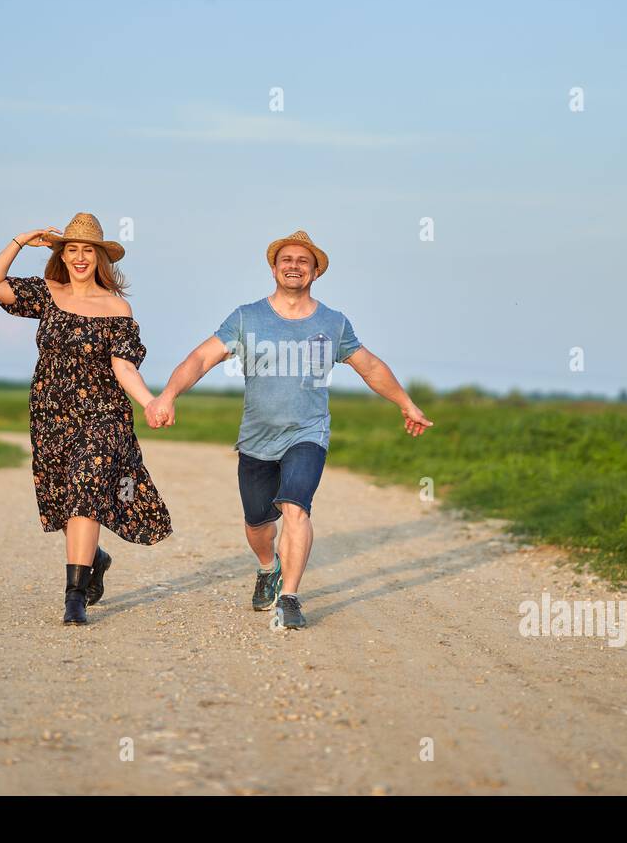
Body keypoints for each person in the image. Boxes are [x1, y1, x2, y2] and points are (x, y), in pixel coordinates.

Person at [145, 230, 431, 629]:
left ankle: (291, 597)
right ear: (274, 267)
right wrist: (168, 394)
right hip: (257, 439)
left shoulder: (333, 322)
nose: (293, 265)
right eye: (286, 259)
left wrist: (406, 403)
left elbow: (370, 366)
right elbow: (201, 357)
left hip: (308, 434)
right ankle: (268, 567)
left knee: (296, 508)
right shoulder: (247, 317)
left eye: (303, 261)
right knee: (258, 525)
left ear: (315, 272)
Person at [0, 212, 172, 625]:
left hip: (103, 416)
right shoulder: (46, 293)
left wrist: (149, 402)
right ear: (62, 255)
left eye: (88, 250)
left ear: (100, 257)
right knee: (66, 499)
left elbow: (124, 368)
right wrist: (19, 240)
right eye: (72, 250)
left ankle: (74, 598)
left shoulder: (116, 307)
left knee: (85, 490)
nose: (80, 257)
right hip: (50, 414)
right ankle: (94, 558)